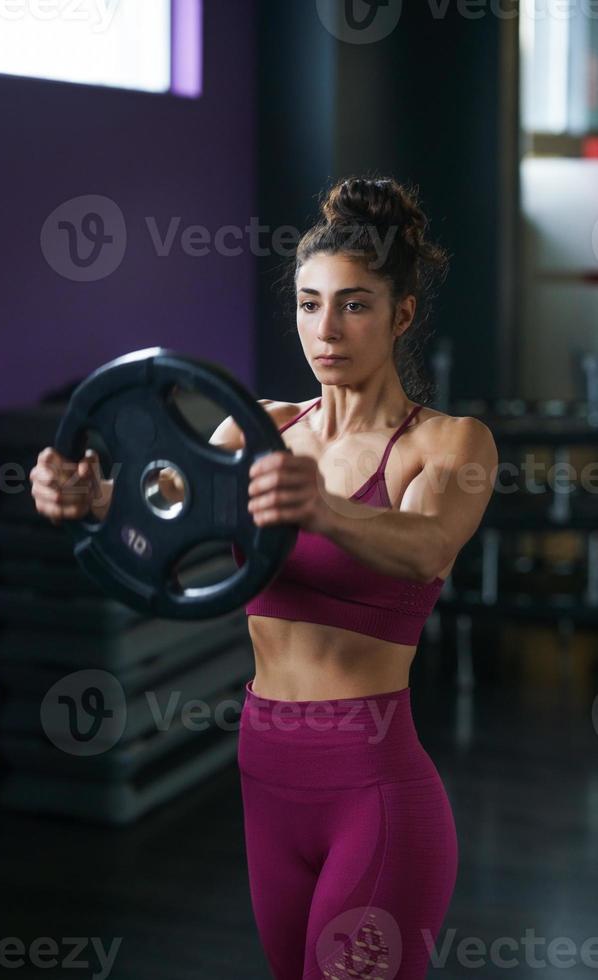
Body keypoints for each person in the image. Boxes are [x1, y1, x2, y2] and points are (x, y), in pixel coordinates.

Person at [31, 175, 498, 980]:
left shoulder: (448, 444)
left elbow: (429, 548)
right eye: (310, 303)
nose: (326, 327)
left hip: (373, 788)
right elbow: (158, 513)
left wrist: (321, 507)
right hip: (266, 776)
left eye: (354, 304)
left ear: (403, 315)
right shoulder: (263, 428)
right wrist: (85, 499)